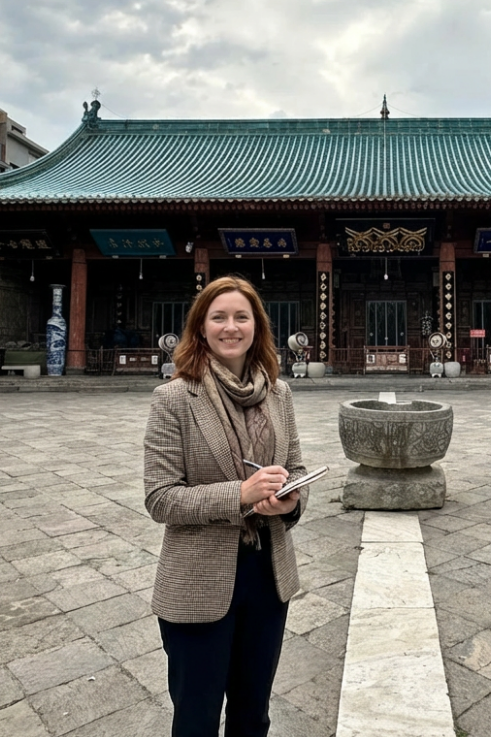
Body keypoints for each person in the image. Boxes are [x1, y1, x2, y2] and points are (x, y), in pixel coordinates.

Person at [144, 276, 308, 737]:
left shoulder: (279, 394)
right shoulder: (174, 398)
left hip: (267, 576)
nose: (230, 327)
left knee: (253, 714)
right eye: (219, 317)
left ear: (257, 326)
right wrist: (240, 494)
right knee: (196, 719)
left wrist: (290, 501)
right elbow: (159, 497)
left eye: (242, 316)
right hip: (198, 579)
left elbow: (294, 466)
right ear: (200, 327)